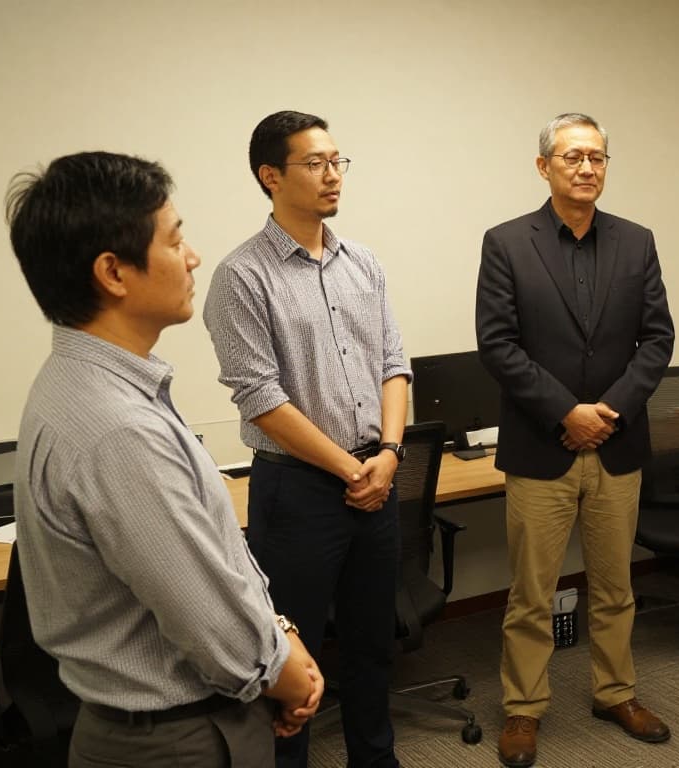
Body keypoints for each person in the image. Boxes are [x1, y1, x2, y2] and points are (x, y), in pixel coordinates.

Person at [6, 151, 322, 767]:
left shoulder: (85, 384)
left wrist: (278, 635)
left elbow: (210, 570)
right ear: (113, 273)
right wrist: (291, 675)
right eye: (176, 239)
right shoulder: (118, 430)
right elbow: (213, 624)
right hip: (179, 738)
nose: (193, 256)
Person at [204, 111, 411, 768]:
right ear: (271, 176)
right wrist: (351, 471)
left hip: (377, 475)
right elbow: (263, 400)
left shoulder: (364, 263)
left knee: (372, 646)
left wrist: (389, 454)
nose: (332, 175)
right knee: (288, 660)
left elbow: (394, 365)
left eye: (337, 161)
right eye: (315, 163)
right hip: (297, 489)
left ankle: (375, 761)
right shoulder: (243, 276)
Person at [475, 112, 675, 768]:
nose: (586, 168)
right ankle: (524, 709)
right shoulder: (507, 243)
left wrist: (608, 410)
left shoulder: (637, 242)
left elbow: (657, 339)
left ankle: (615, 693)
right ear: (544, 167)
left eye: (596, 157)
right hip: (541, 447)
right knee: (532, 592)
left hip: (616, 446)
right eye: (572, 157)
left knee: (616, 587)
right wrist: (566, 411)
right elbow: (498, 344)